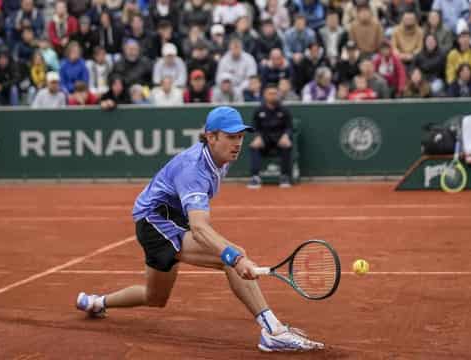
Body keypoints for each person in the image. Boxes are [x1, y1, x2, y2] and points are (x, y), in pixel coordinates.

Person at [76, 106, 323, 352]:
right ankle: (273, 331)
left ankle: (96, 303)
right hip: (155, 222)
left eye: (240, 137)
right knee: (231, 255)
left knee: (156, 297)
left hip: (172, 220)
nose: (237, 143)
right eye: (230, 137)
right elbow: (200, 228)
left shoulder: (220, 158)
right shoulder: (193, 169)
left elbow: (198, 223)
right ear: (211, 136)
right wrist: (235, 258)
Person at [248, 85, 294, 188]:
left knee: (287, 145)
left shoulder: (285, 110)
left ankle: (284, 176)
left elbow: (289, 127)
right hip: (264, 139)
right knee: (254, 146)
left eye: (275, 93)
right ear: (264, 95)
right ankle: (255, 177)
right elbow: (255, 127)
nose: (273, 96)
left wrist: (286, 136)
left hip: (280, 139)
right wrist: (258, 137)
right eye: (270, 93)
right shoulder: (258, 110)